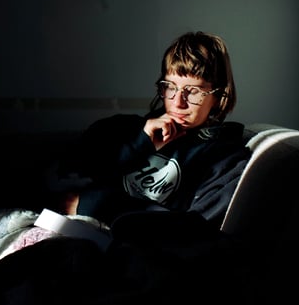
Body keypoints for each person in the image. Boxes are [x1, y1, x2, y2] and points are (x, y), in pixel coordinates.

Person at [49, 31, 251, 228]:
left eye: (194, 91)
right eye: (171, 87)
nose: (178, 102)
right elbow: (71, 174)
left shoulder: (227, 159)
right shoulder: (125, 128)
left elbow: (192, 229)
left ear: (218, 96)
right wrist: (140, 142)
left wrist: (91, 205)